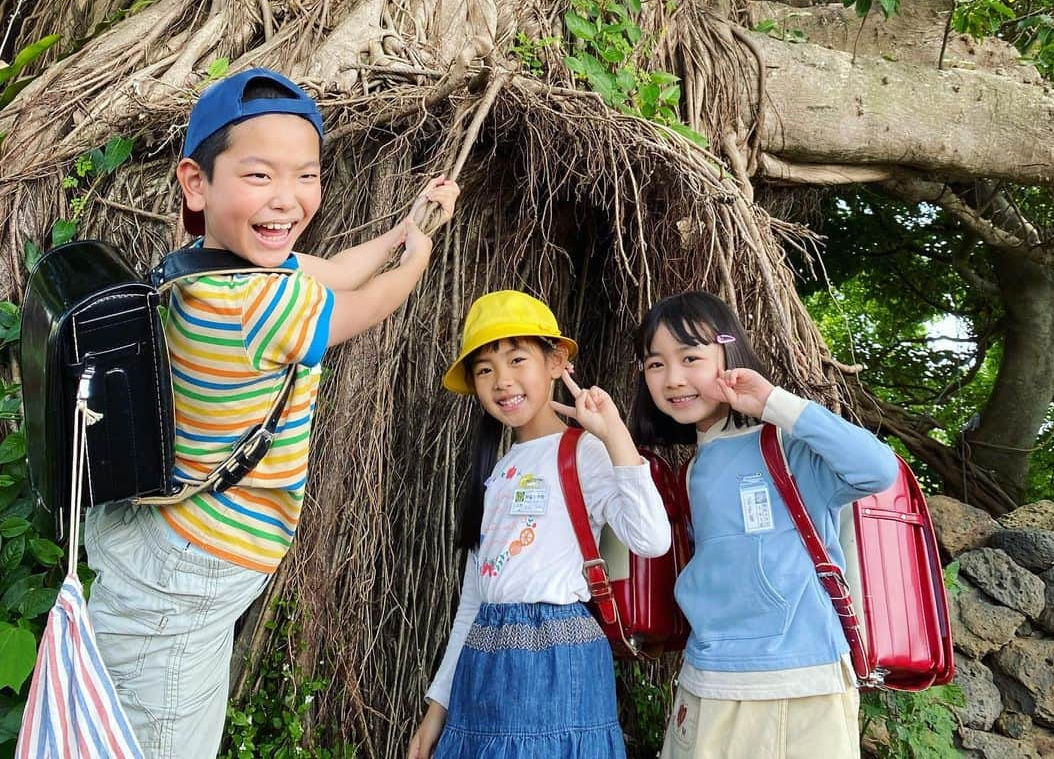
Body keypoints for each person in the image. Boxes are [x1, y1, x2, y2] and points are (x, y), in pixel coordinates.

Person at [84, 67, 459, 759]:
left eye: (306, 177)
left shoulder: (204, 266)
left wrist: (408, 225)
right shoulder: (254, 305)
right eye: (259, 177)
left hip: (170, 542)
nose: (287, 199)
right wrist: (418, 260)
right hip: (189, 566)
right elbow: (364, 303)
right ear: (196, 183)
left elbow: (334, 269)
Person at [630, 290, 898, 759]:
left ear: (728, 354)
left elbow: (876, 469)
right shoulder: (693, 467)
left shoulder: (786, 448)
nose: (673, 378)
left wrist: (774, 402)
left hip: (799, 680)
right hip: (708, 676)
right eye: (655, 364)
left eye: (690, 357)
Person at [408, 290, 671, 759]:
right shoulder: (497, 470)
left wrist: (613, 434)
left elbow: (651, 538)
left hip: (559, 659)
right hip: (484, 664)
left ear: (555, 363)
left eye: (516, 360)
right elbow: (472, 601)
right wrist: (436, 709)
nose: (502, 381)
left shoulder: (584, 451)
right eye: (485, 369)